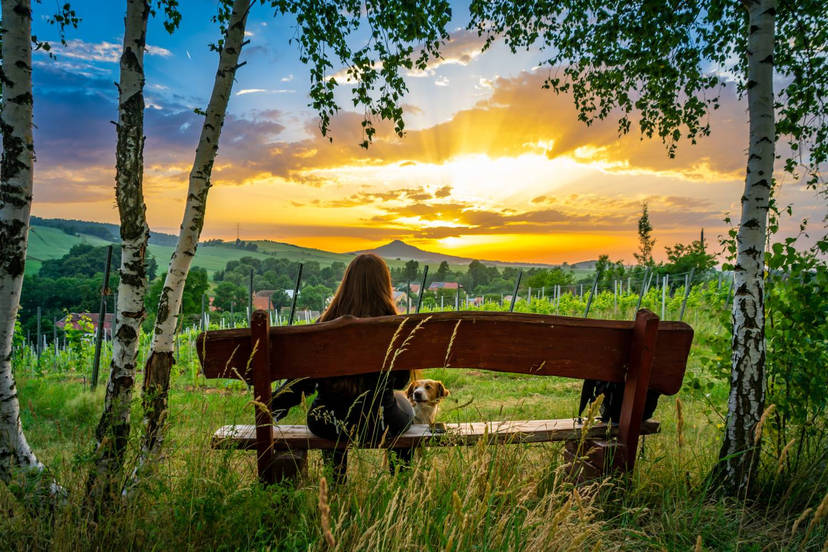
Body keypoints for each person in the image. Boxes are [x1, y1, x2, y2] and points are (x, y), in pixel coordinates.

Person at [270, 253, 415, 482]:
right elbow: (400, 382)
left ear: (346, 282)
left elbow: (305, 379)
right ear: (384, 284)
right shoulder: (394, 326)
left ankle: (337, 480)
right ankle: (401, 480)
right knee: (404, 405)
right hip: (380, 423)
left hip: (329, 422)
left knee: (332, 410)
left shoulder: (324, 325)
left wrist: (276, 403)